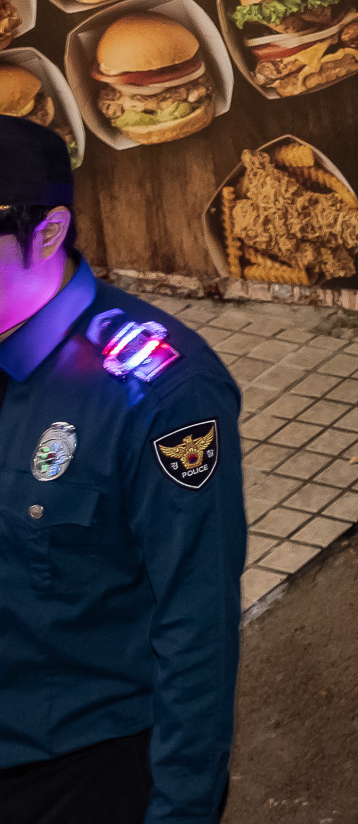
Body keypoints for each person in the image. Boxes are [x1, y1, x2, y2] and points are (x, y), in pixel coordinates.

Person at [0, 117, 244, 824]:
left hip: (78, 766)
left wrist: (180, 810)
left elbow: (197, 630)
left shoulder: (162, 394)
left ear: (46, 233)